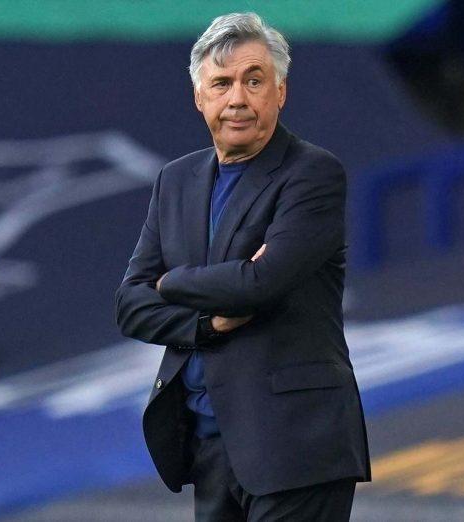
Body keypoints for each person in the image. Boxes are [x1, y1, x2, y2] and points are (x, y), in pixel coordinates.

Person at [114, 12, 371, 522]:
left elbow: (259, 284)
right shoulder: (176, 180)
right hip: (209, 447)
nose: (237, 99)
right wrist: (206, 323)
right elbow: (129, 305)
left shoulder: (312, 173)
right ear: (199, 97)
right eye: (222, 83)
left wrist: (171, 282)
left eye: (254, 81)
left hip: (296, 447)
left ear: (280, 92)